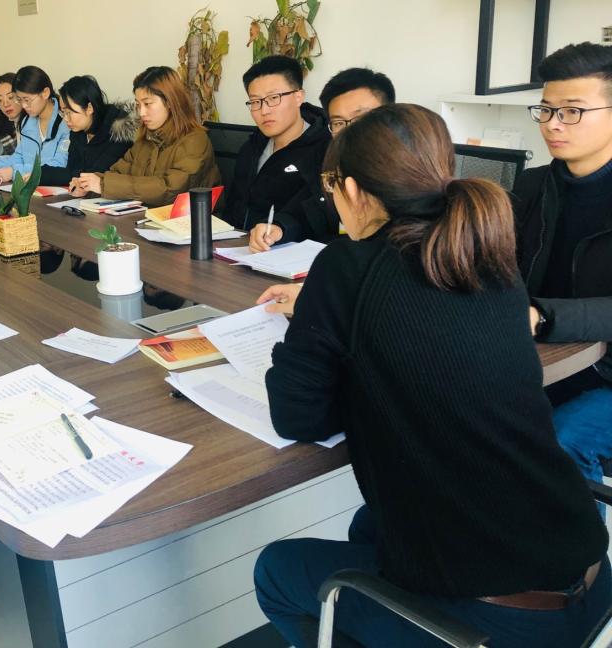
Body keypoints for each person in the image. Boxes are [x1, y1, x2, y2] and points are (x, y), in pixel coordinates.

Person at [252, 104, 609, 648]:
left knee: (278, 570)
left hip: (498, 624)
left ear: (352, 189)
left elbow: (298, 417)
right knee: (369, 524)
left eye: (329, 188)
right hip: (590, 578)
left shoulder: (346, 264)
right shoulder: (485, 250)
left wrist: (312, 327)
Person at [512, 42, 612, 486]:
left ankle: (579, 538)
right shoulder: (533, 186)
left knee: (563, 440)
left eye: (572, 111)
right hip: (545, 357)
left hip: (604, 376)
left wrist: (543, 316)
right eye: (546, 109)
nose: (552, 124)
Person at [249, 67, 396, 252]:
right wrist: (279, 228)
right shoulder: (331, 163)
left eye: (360, 119)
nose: (349, 132)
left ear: (389, 117)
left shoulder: (409, 171)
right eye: (339, 123)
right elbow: (306, 211)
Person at [70, 66, 219, 206]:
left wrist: (103, 185)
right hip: (145, 218)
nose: (141, 113)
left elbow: (169, 189)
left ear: (170, 102)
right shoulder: (146, 139)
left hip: (189, 222)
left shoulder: (195, 140)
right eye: (138, 105)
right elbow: (117, 173)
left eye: (147, 104)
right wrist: (88, 184)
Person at [222, 55, 330, 233]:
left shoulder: (325, 150)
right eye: (255, 102)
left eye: (273, 98)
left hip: (286, 246)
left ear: (298, 97)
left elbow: (315, 218)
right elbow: (233, 207)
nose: (264, 111)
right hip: (236, 243)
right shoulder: (251, 148)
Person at [39, 75, 134, 186]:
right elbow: (73, 171)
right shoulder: (78, 131)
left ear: (89, 108)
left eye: (69, 112)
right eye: (63, 112)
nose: (65, 119)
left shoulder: (120, 132)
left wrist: (41, 174)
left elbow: (94, 175)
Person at [0, 66, 70, 184]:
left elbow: (58, 166)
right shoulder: (27, 122)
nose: (23, 105)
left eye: (27, 100)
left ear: (45, 93)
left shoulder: (67, 122)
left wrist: (14, 172)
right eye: (19, 100)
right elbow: (18, 157)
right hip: (29, 187)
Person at [0, 72, 21, 156]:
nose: (5, 104)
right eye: (0, 100)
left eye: (10, 97)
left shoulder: (33, 125)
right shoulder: (5, 134)